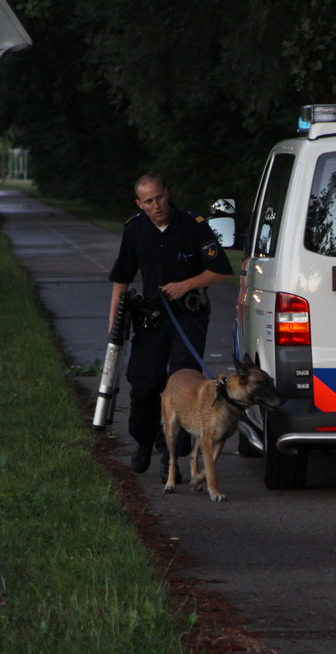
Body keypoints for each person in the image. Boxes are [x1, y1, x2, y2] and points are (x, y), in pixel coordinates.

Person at [107, 175, 233, 477]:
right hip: (150, 319)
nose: (156, 205)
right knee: (144, 385)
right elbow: (121, 279)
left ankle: (170, 455)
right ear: (140, 204)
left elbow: (221, 270)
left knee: (182, 386)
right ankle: (144, 442)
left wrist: (184, 285)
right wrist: (114, 324)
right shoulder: (135, 229)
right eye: (148, 201)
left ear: (167, 193)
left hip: (188, 316)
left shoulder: (193, 225)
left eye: (160, 198)